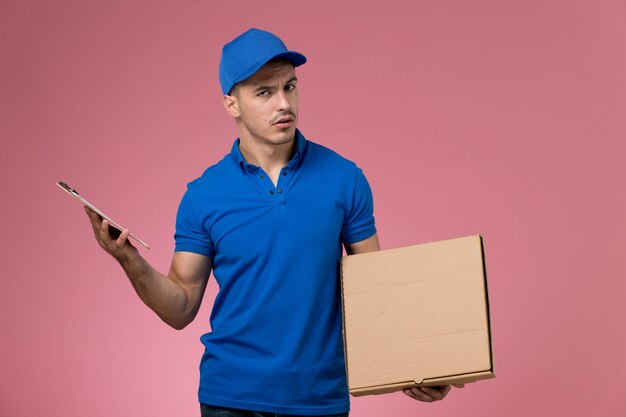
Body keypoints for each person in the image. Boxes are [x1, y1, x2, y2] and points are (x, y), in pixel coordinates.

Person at [85, 28, 463, 417]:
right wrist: (127, 258)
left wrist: (418, 365)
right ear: (232, 104)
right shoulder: (203, 196)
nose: (284, 103)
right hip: (230, 400)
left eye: (290, 87)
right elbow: (180, 307)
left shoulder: (344, 178)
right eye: (264, 92)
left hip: (319, 401)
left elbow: (374, 291)